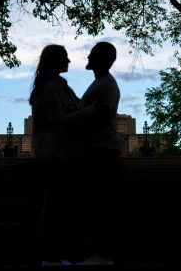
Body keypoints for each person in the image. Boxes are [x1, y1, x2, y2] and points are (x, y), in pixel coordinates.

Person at [29, 44, 79, 267]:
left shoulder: (57, 87)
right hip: (55, 156)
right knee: (55, 206)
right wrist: (89, 112)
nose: (69, 61)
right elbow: (60, 122)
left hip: (61, 155)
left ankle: (56, 253)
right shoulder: (51, 90)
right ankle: (51, 255)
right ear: (54, 61)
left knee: (59, 206)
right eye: (65, 57)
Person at [75, 41, 122, 266]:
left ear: (102, 59)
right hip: (100, 148)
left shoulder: (104, 85)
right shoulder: (103, 83)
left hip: (101, 150)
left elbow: (97, 114)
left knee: (100, 203)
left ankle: (102, 253)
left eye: (93, 54)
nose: (88, 57)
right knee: (99, 203)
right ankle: (101, 252)